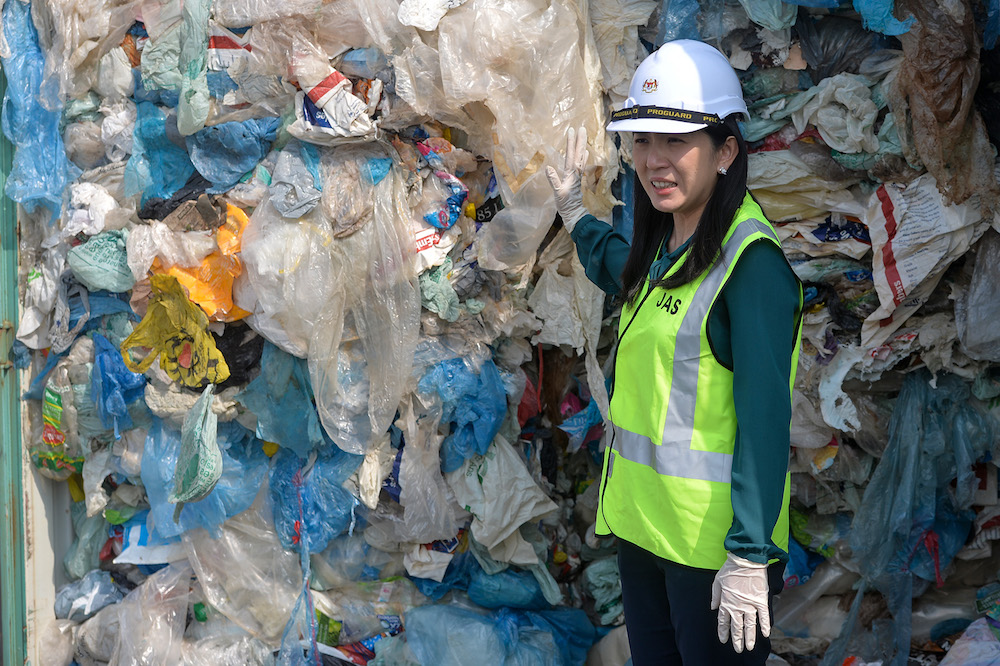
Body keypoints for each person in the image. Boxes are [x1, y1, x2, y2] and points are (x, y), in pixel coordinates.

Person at [546, 40, 803, 665]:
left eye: (675, 141)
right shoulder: (670, 245)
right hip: (644, 533)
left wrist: (748, 556)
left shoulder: (751, 266)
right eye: (642, 141)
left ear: (727, 150)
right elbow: (627, 277)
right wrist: (577, 214)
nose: (654, 160)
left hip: (712, 556)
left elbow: (764, 423)